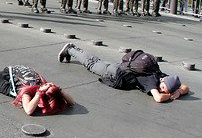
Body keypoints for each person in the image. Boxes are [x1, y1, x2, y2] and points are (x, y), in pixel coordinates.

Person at [58, 43, 189, 103]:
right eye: (165, 89)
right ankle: (70, 49)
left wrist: (178, 91)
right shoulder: (151, 81)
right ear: (163, 84)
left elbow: (185, 87)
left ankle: (73, 50)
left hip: (121, 68)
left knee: (97, 61)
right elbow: (158, 98)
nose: (163, 91)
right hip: (115, 73)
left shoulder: (161, 75)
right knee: (93, 65)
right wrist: (171, 95)